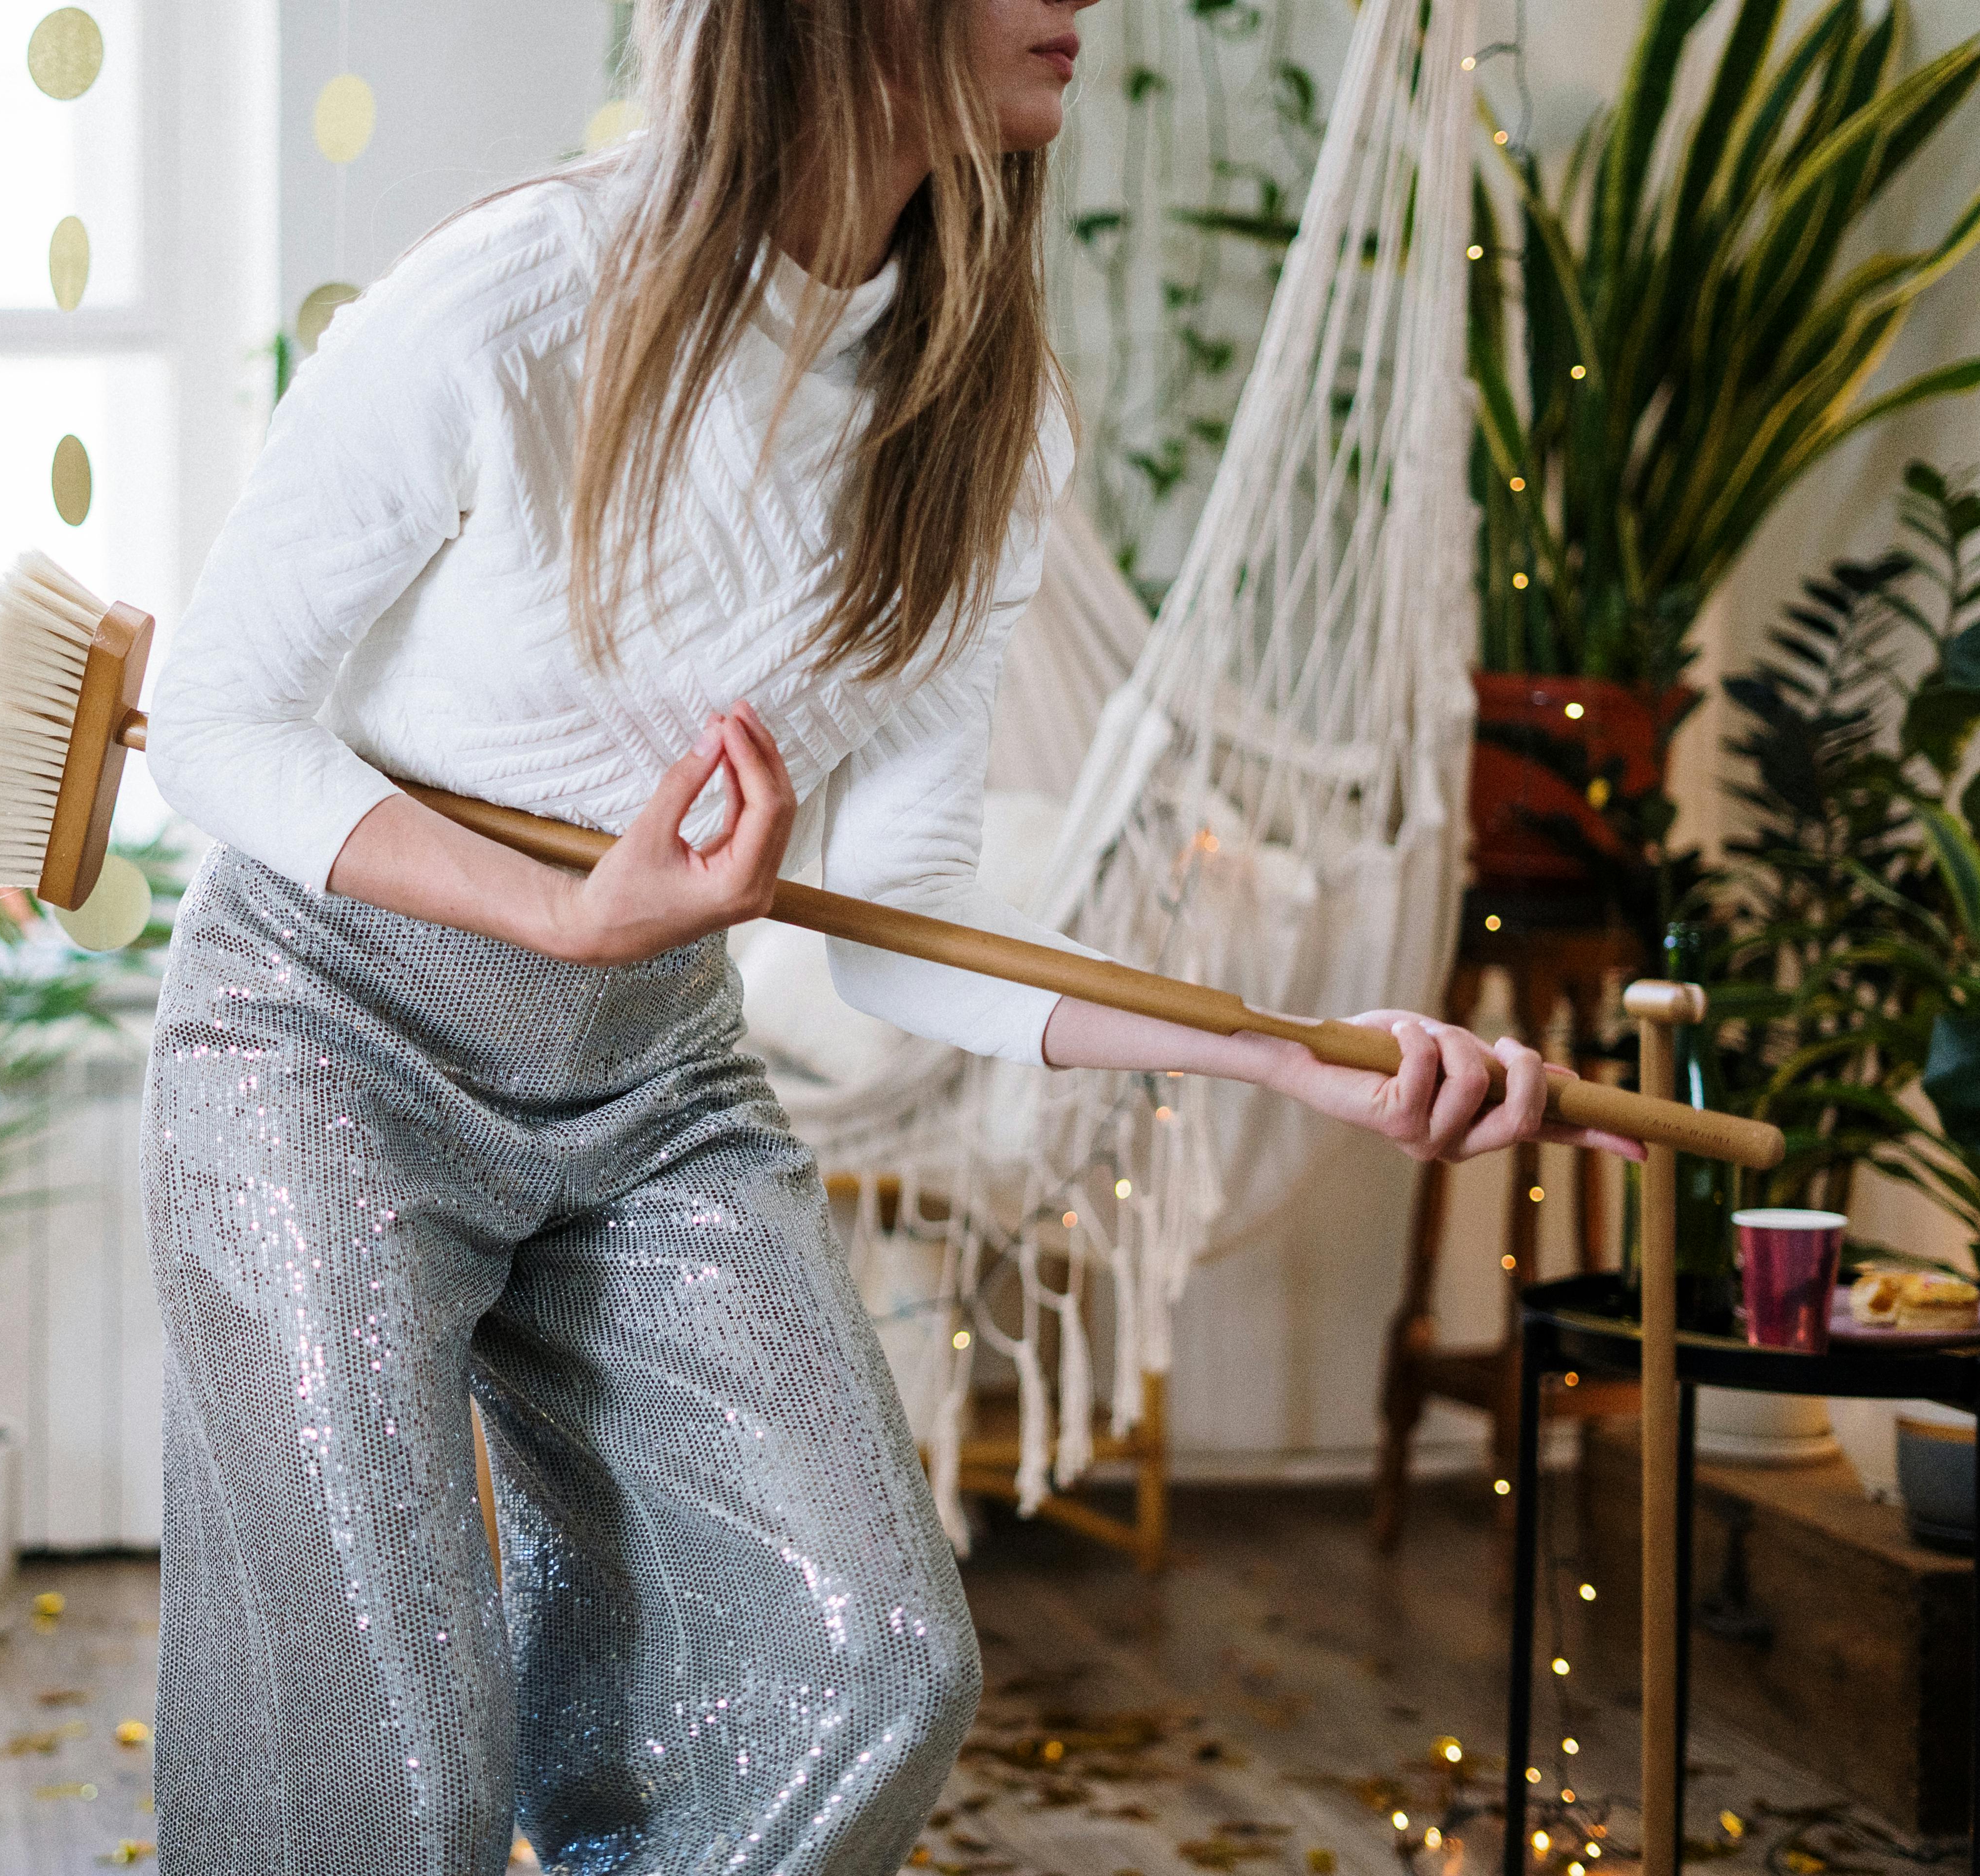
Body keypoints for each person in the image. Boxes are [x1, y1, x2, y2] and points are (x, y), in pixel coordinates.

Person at [142, 1, 1627, 1869]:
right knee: (385, 1760)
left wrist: (1277, 1054)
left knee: (875, 1671)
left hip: (646, 1088)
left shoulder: (983, 425)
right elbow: (211, 723)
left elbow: (903, 939)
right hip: (322, 1045)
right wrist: (560, 905)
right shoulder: (511, 300)